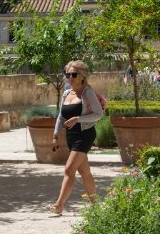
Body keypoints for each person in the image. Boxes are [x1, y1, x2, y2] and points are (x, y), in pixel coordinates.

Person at [46, 60, 104, 216]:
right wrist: (55, 135)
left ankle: (59, 205)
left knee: (69, 169)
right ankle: (96, 204)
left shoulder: (88, 93)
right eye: (67, 75)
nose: (70, 77)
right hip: (71, 136)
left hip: (84, 135)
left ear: (82, 76)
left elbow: (99, 114)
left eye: (73, 74)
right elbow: (61, 116)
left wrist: (78, 119)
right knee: (85, 172)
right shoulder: (66, 93)